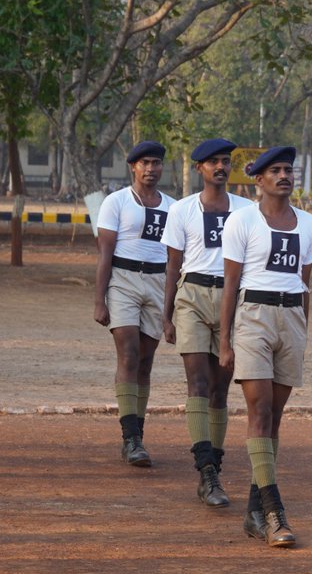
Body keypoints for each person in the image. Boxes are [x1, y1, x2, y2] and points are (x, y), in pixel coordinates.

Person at [219, 146, 312, 547]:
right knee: (259, 411)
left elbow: (305, 282)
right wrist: (225, 339)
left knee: (274, 418)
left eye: (288, 170)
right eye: (275, 170)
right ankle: (275, 512)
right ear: (258, 180)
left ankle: (253, 511)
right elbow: (231, 283)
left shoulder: (311, 224)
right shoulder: (241, 221)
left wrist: (306, 332)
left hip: (291, 317)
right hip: (253, 316)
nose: (284, 176)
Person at [162, 138, 252, 507]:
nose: (220, 167)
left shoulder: (247, 210)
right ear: (198, 168)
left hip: (234, 300)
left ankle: (215, 461)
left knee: (220, 387)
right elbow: (172, 265)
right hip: (193, 296)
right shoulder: (182, 210)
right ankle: (207, 472)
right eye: (212, 162)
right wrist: (166, 315)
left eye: (225, 161)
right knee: (197, 381)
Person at [93, 140, 175, 467]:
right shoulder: (115, 202)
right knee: (128, 354)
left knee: (145, 361)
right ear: (133, 167)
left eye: (156, 163)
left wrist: (170, 309)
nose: (151, 169)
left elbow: (174, 259)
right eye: (145, 163)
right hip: (123, 279)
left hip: (157, 281)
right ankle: (130, 438)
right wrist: (99, 300)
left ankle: (137, 431)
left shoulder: (173, 206)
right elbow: (104, 254)